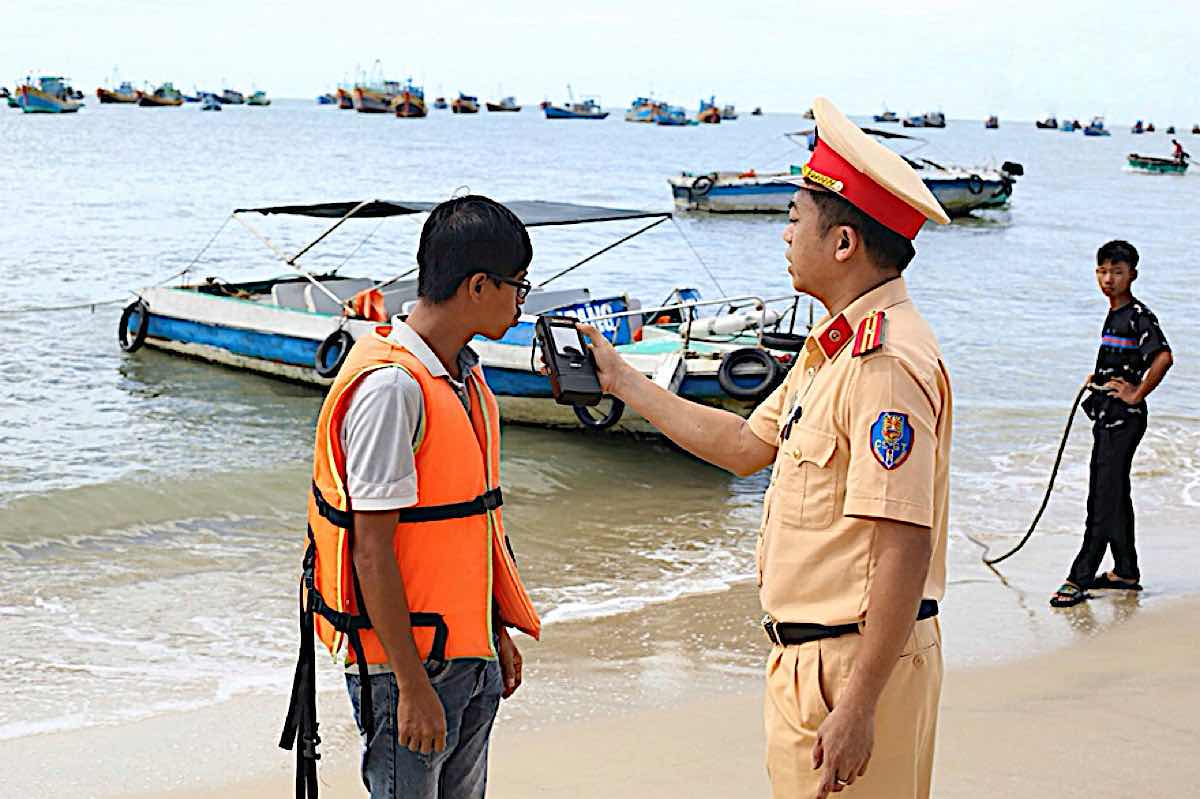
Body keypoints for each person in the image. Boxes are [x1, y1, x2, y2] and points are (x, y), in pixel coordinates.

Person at [580, 97, 952, 799]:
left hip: (851, 664)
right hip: (817, 661)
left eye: (793, 218)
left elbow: (905, 540)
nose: (783, 235)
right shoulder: (834, 344)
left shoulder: (886, 361)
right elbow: (746, 443)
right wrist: (622, 380)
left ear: (843, 243)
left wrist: (860, 704)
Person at [281, 195, 542, 799]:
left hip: (465, 652)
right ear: (479, 286)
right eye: (518, 286)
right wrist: (411, 687)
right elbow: (372, 551)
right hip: (412, 667)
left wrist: (493, 628)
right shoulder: (391, 389)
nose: (520, 301)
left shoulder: (462, 376)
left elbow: (467, 529)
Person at [1051, 240, 1173, 608]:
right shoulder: (1114, 314)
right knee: (1114, 492)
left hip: (1124, 420)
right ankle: (1125, 571)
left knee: (1101, 496)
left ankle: (1080, 576)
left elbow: (1163, 357)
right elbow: (1125, 358)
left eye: (1117, 272)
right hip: (1107, 415)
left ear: (1132, 274)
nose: (1108, 279)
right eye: (1103, 271)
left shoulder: (1137, 314)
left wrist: (1137, 393)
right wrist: (1101, 375)